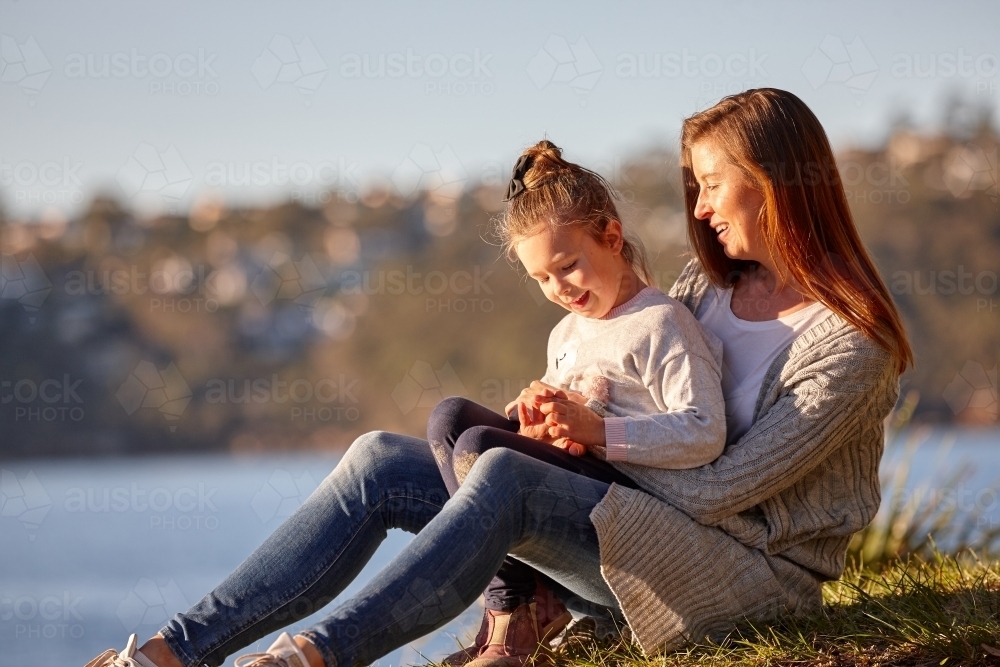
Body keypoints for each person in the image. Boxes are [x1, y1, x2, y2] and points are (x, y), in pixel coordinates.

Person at [86, 88, 912, 667]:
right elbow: (620, 341)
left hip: (738, 577)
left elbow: (724, 488)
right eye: (693, 185)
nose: (698, 207)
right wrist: (566, 420)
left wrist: (581, 449)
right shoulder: (706, 291)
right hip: (630, 528)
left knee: (508, 474)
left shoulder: (851, 342)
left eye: (711, 183)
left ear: (777, 181)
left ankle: (317, 654)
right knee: (382, 454)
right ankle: (174, 650)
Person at [425, 140, 727, 665]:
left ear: (612, 236)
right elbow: (561, 420)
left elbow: (705, 429)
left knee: (477, 445)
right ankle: (523, 605)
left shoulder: (662, 322)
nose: (558, 288)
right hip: (572, 476)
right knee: (450, 419)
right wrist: (534, 415)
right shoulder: (566, 332)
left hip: (628, 502)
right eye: (541, 278)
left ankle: (516, 612)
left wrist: (597, 433)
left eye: (567, 266)